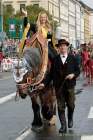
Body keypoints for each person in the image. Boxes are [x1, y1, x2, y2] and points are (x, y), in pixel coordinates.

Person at [21, 9, 57, 130]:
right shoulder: (35, 27)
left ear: (46, 18)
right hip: (37, 50)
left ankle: (54, 79)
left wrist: (53, 51)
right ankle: (22, 84)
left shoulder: (49, 28)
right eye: (41, 17)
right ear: (39, 18)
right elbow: (26, 25)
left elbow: (51, 43)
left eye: (44, 17)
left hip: (47, 48)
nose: (43, 19)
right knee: (24, 61)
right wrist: (25, 16)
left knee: (56, 60)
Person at [39, 39, 80, 133]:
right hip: (59, 87)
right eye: (60, 46)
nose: (62, 47)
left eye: (64, 46)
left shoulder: (72, 58)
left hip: (70, 86)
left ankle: (70, 118)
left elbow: (78, 70)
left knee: (71, 105)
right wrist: (44, 83)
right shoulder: (55, 60)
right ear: (58, 48)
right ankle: (63, 126)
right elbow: (50, 74)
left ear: (67, 47)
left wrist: (73, 75)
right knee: (61, 107)